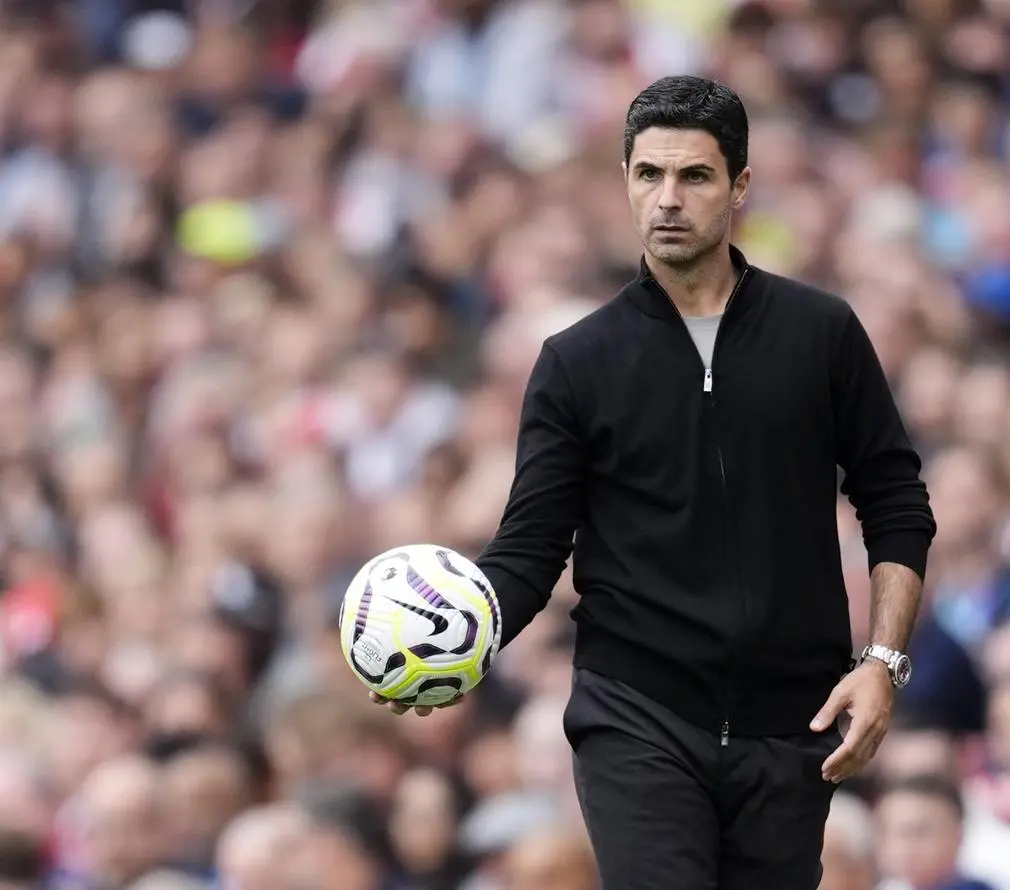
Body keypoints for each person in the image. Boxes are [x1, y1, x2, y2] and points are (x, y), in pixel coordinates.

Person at [374, 75, 936, 889]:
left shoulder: (822, 334)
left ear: (740, 187)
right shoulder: (577, 361)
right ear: (626, 182)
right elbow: (530, 549)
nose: (668, 198)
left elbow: (896, 501)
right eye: (649, 175)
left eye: (695, 176)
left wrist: (883, 660)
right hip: (636, 712)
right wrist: (455, 641)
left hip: (793, 719)